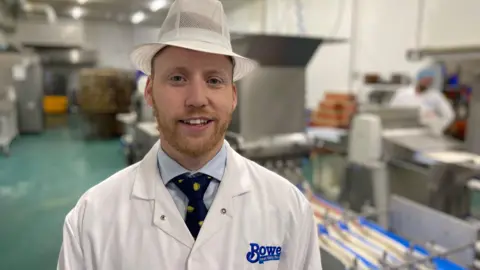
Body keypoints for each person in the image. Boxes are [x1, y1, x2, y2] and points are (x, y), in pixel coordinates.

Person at [56, 0, 322, 269]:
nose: (197, 99)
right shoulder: (92, 217)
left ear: (232, 96)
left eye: (214, 80)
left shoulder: (288, 209)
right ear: (149, 91)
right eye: (177, 78)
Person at [389, 68, 455, 135]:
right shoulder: (402, 93)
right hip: (404, 131)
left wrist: (437, 126)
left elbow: (449, 115)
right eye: (425, 79)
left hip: (427, 133)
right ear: (418, 78)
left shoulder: (435, 96)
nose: (427, 82)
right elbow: (392, 112)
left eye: (429, 80)